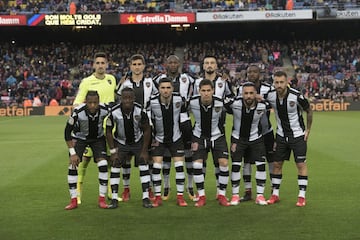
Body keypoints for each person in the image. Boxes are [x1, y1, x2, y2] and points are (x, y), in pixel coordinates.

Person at [73, 52, 117, 204]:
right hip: (91, 128)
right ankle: (78, 190)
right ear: (93, 65)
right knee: (84, 160)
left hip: (109, 128)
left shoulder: (112, 80)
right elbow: (77, 102)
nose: (100, 65)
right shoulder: (86, 82)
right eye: (97, 63)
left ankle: (110, 189)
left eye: (103, 63)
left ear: (107, 64)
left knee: (109, 159)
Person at [265, 71, 313, 207]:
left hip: (298, 136)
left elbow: (309, 110)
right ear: (274, 83)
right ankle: (275, 194)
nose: (279, 85)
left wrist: (308, 130)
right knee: (277, 164)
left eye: (282, 82)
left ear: (287, 83)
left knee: (300, 164)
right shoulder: (271, 95)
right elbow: (259, 99)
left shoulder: (296, 96)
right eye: (277, 82)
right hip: (280, 136)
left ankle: (301, 196)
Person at [115, 54, 158, 202]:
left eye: (140, 64)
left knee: (148, 157)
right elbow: (117, 98)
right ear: (130, 66)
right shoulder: (125, 83)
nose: (137, 67)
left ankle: (149, 188)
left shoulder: (149, 82)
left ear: (144, 66)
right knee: (126, 158)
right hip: (128, 123)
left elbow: (156, 99)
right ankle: (126, 188)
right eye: (134, 64)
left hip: (146, 123)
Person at [153, 55, 195, 201]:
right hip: (165, 121)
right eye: (170, 62)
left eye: (175, 62)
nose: (172, 64)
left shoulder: (188, 79)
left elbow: (194, 97)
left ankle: (189, 185)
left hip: (184, 121)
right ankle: (166, 186)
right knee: (165, 155)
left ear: (179, 64)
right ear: (166, 64)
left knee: (188, 154)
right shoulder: (158, 80)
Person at [193, 55, 234, 199]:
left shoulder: (223, 82)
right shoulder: (196, 82)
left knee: (220, 161)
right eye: (207, 63)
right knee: (200, 161)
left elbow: (231, 98)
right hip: (200, 127)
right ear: (203, 66)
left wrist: (223, 103)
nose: (209, 65)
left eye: (212, 63)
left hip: (219, 127)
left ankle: (219, 190)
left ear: (216, 66)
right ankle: (200, 192)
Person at [106, 87, 153, 209]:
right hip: (121, 142)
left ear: (134, 98)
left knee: (143, 164)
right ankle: (114, 198)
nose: (127, 101)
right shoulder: (114, 111)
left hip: (137, 141)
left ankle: (145, 197)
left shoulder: (140, 110)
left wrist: (144, 150)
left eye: (129, 98)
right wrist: (113, 151)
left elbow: (147, 129)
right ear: (121, 99)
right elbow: (108, 131)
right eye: (124, 98)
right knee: (116, 165)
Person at [64, 90, 109, 210]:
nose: (93, 105)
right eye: (90, 103)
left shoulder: (106, 109)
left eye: (95, 102)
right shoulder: (78, 112)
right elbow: (67, 132)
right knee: (73, 165)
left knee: (103, 164)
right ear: (86, 102)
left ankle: (102, 199)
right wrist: (73, 153)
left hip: (98, 139)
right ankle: (73, 200)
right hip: (80, 139)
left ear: (99, 102)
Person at [225, 82, 269, 206]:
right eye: (246, 93)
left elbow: (272, 104)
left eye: (251, 93)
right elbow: (224, 102)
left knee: (261, 165)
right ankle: (235, 195)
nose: (248, 96)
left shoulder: (263, 105)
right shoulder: (235, 104)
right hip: (238, 139)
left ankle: (260, 195)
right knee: (236, 166)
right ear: (242, 94)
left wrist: (263, 98)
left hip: (256, 138)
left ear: (256, 94)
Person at [188, 79, 230, 207]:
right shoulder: (192, 102)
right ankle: (201, 196)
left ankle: (221, 194)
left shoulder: (220, 102)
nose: (206, 93)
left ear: (213, 91)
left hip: (217, 137)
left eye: (208, 91)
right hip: (198, 137)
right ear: (199, 91)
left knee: (224, 163)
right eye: (203, 91)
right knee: (197, 165)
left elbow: (236, 106)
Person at [236, 65, 275, 202]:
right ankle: (248, 191)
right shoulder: (241, 89)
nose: (252, 74)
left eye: (254, 72)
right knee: (246, 162)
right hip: (248, 132)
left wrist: (262, 100)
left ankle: (273, 190)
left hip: (265, 131)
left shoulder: (268, 88)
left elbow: (274, 105)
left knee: (271, 160)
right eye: (249, 72)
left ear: (260, 74)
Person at [147, 77, 188, 207]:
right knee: (157, 166)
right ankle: (158, 197)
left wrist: (188, 140)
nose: (165, 90)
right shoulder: (152, 102)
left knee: (179, 167)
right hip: (159, 139)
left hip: (176, 138)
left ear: (172, 88)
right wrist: (150, 140)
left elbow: (185, 119)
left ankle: (180, 197)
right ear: (158, 89)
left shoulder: (179, 100)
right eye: (163, 88)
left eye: (168, 88)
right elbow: (148, 122)